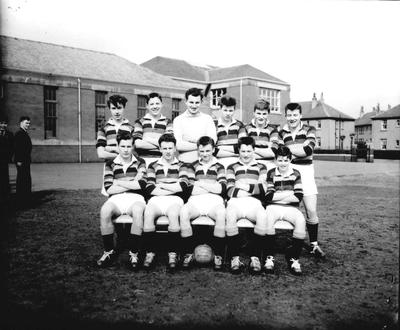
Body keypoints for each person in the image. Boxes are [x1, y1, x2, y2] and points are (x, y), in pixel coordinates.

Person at [278, 102, 325, 258]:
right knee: (287, 205)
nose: (292, 118)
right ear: (286, 116)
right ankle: (290, 241)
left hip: (305, 171)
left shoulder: (309, 129)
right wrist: (294, 150)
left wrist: (286, 149)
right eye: (289, 115)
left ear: (300, 116)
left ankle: (314, 245)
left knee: (311, 209)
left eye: (295, 115)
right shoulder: (281, 131)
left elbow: (308, 150)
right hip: (288, 170)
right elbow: (278, 152)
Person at [96, 131, 147, 270]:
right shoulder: (110, 163)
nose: (126, 150)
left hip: (136, 198)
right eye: (123, 146)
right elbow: (108, 189)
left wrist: (118, 182)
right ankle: (108, 251)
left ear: (132, 147)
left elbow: (141, 185)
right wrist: (131, 181)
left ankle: (134, 253)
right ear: (117, 146)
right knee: (105, 211)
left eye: (129, 146)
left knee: (137, 211)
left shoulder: (141, 162)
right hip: (117, 199)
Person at [142, 133, 190, 271]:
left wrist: (161, 185)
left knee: (174, 214)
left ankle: (173, 253)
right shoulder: (152, 166)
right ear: (160, 149)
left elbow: (183, 187)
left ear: (175, 148)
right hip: (156, 199)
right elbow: (150, 188)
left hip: (175, 200)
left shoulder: (182, 165)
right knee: (149, 213)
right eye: (164, 148)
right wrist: (172, 186)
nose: (168, 151)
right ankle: (150, 253)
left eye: (170, 148)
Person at [256, 145, 306, 275]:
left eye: (285, 160)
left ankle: (293, 257)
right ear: (275, 160)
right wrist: (289, 195)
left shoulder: (296, 173)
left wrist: (278, 197)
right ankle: (269, 257)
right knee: (268, 218)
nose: (283, 163)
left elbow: (298, 197)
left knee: (301, 220)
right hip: (274, 208)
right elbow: (268, 197)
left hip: (291, 208)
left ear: (290, 160)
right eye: (280, 160)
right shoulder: (271, 173)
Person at [180, 136, 227, 270]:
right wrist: (211, 186)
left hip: (214, 202)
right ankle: (188, 253)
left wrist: (200, 183)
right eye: (202, 151)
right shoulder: (191, 166)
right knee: (183, 212)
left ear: (213, 150)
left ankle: (218, 255)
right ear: (198, 151)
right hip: (196, 202)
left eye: (208, 151)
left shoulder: (220, 166)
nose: (205, 154)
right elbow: (189, 190)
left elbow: (221, 189)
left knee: (222, 213)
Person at [225, 136, 267, 274]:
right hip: (236, 202)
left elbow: (262, 190)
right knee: (230, 215)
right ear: (239, 151)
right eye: (243, 151)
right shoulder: (232, 167)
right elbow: (230, 190)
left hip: (253, 204)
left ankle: (255, 257)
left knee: (262, 215)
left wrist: (242, 186)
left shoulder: (261, 167)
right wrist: (252, 189)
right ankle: (234, 258)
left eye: (249, 151)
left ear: (254, 150)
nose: (246, 154)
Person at [173, 88, 217, 163]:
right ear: (185, 101)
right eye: (191, 102)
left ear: (201, 102)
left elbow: (212, 142)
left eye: (197, 102)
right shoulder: (178, 120)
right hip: (185, 163)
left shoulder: (208, 119)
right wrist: (202, 143)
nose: (194, 105)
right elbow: (178, 145)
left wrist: (189, 141)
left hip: (205, 164)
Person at [134, 92, 173, 165]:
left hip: (161, 162)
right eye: (151, 104)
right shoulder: (139, 122)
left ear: (162, 105)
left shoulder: (168, 122)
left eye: (157, 103)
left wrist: (146, 139)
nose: (155, 106)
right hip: (142, 162)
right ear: (147, 106)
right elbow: (138, 144)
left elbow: (168, 144)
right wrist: (160, 144)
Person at [245, 98, 280, 172]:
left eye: (264, 114)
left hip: (268, 164)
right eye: (258, 113)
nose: (261, 117)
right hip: (250, 163)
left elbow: (273, 153)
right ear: (253, 113)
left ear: (268, 114)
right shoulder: (246, 128)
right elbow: (244, 152)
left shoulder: (273, 129)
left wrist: (253, 149)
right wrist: (266, 145)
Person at [214, 95, 247, 169]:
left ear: (234, 110)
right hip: (219, 161)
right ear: (220, 109)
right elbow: (213, 150)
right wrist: (234, 153)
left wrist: (220, 147)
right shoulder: (214, 125)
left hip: (237, 162)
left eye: (230, 110)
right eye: (225, 110)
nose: (228, 113)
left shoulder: (239, 125)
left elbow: (242, 146)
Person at [14, 116, 32, 207]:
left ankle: (25, 199)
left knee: (25, 179)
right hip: (21, 161)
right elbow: (17, 148)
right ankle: (21, 200)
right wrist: (19, 160)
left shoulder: (24, 133)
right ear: (21, 123)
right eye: (26, 123)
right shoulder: (19, 134)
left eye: (29, 123)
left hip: (25, 160)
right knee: (22, 180)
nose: (28, 125)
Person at [0, 116, 14, 204]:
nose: (3, 125)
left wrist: (9, 157)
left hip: (4, 160)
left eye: (5, 123)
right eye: (1, 123)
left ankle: (5, 196)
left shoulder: (10, 134)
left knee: (5, 177)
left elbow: (12, 148)